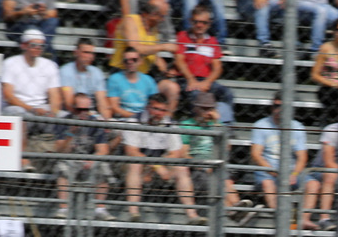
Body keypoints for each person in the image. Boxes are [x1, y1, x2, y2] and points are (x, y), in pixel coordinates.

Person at [123, 92, 206, 223]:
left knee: (181, 168)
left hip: (161, 166)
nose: (159, 113)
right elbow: (132, 152)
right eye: (156, 109)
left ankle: (192, 214)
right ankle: (133, 212)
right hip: (141, 166)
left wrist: (163, 167)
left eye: (163, 110)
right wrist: (156, 166)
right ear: (148, 107)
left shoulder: (170, 124)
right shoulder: (134, 121)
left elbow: (176, 152)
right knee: (135, 164)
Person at [250, 95, 322, 230]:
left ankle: (303, 219)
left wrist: (294, 174)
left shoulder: (297, 126)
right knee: (267, 183)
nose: (278, 109)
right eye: (275, 106)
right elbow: (256, 154)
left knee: (313, 183)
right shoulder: (261, 125)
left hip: (291, 170)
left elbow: (302, 157)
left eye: (281, 106)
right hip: (268, 170)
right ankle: (282, 218)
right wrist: (274, 172)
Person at [178, 91, 249, 222]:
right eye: (204, 108)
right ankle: (233, 210)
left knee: (226, 181)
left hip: (216, 164)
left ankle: (238, 208)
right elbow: (184, 153)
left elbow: (226, 147)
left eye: (210, 108)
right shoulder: (187, 124)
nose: (207, 112)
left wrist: (217, 122)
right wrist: (202, 165)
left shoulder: (215, 125)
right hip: (197, 168)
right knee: (215, 181)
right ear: (196, 108)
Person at [2, 29, 61, 175]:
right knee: (20, 115)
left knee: (65, 117)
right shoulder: (11, 63)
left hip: (41, 108)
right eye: (34, 45)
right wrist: (32, 110)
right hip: (16, 107)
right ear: (24, 45)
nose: (38, 49)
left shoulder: (49, 65)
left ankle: (56, 160)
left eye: (41, 46)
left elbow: (54, 95)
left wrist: (53, 112)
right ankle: (24, 159)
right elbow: (8, 95)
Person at [54, 92, 115, 220]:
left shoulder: (95, 123)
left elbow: (103, 149)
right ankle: (63, 208)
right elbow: (60, 150)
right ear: (72, 108)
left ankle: (100, 208)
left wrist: (93, 158)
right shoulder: (64, 121)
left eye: (86, 110)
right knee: (62, 166)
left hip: (89, 159)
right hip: (70, 158)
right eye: (79, 109)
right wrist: (70, 134)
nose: (82, 113)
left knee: (103, 165)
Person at [173, 5, 234, 121]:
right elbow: (179, 61)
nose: (199, 25)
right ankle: (199, 127)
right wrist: (191, 79)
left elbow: (218, 68)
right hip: (186, 80)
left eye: (203, 22)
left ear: (209, 24)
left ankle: (226, 128)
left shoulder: (212, 41)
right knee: (197, 95)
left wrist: (207, 82)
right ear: (191, 21)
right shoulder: (183, 36)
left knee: (227, 93)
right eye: (196, 22)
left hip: (207, 81)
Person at [59, 38, 111, 119]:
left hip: (91, 113)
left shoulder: (97, 72)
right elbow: (69, 103)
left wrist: (106, 121)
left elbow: (102, 103)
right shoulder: (66, 71)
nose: (90, 56)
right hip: (71, 113)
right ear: (76, 53)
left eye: (92, 53)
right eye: (86, 52)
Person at [108, 47, 160, 117]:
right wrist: (136, 117)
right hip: (122, 120)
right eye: (126, 60)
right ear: (123, 62)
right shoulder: (114, 79)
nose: (130, 62)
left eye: (134, 60)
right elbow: (114, 107)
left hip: (144, 119)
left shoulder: (149, 80)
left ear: (140, 61)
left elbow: (155, 104)